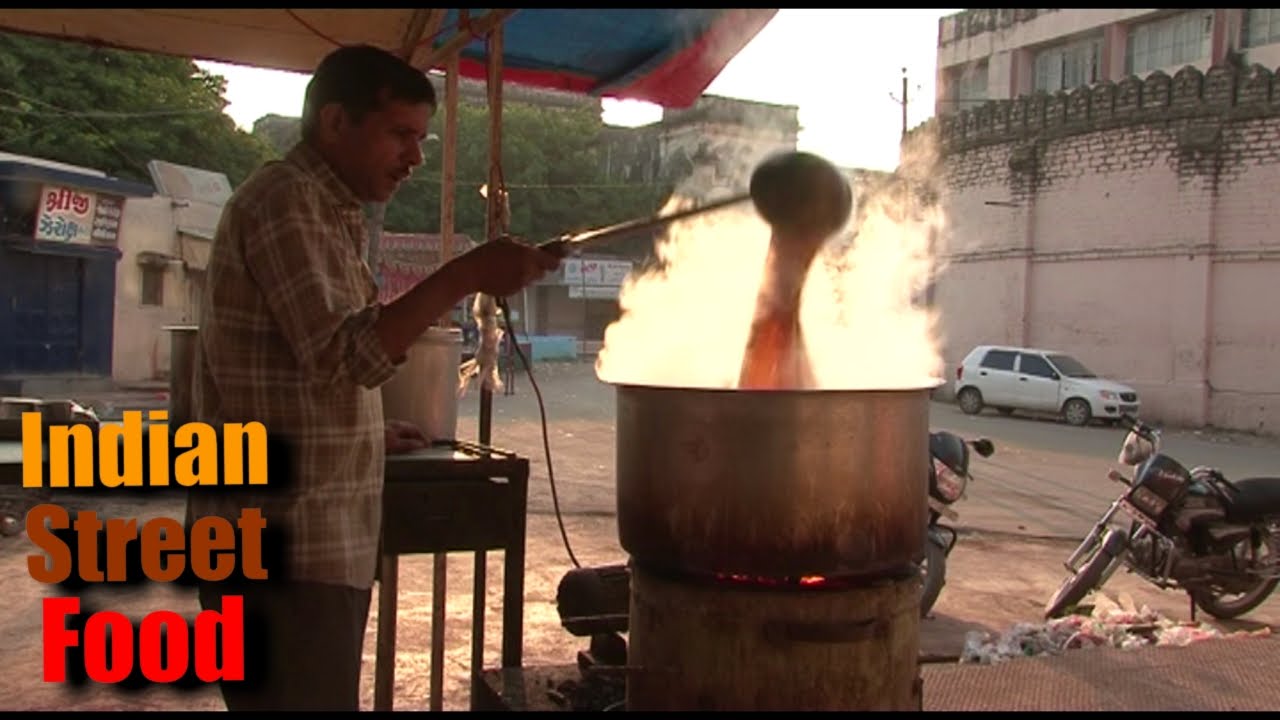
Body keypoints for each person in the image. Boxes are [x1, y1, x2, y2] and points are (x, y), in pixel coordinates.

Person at [186, 44, 560, 711]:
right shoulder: (286, 202)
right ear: (335, 122)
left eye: (421, 139)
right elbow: (344, 355)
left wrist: (363, 430)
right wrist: (466, 272)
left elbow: (308, 374)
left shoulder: (327, 211)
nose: (415, 159)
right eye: (400, 135)